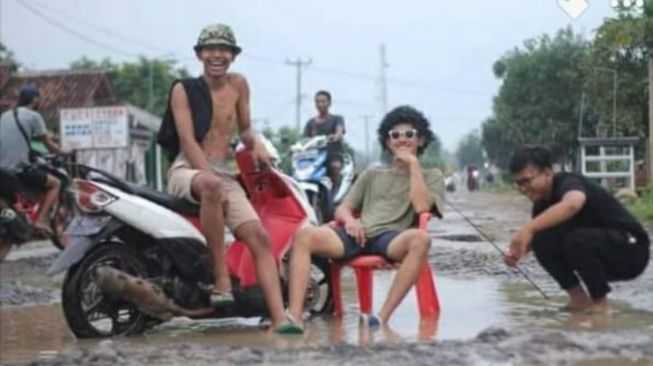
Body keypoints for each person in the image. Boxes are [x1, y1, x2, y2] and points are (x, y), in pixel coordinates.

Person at [161, 23, 297, 333]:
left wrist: (257, 145)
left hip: (223, 172)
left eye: (224, 49)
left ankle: (279, 319)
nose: (217, 55)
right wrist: (209, 177)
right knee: (211, 186)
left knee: (260, 238)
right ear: (200, 55)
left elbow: (245, 129)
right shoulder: (184, 89)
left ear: (233, 56)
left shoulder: (239, 86)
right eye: (211, 49)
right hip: (188, 169)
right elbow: (187, 141)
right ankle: (221, 281)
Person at [287, 105, 445, 332]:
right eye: (395, 135)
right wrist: (351, 221)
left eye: (409, 134)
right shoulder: (372, 174)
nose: (402, 139)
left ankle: (380, 317)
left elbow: (421, 207)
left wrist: (413, 165)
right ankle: (294, 318)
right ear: (388, 142)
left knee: (421, 240)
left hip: (391, 238)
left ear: (420, 140)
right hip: (357, 234)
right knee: (304, 235)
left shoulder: (432, 175)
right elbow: (343, 208)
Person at [504, 145, 650, 313]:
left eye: (527, 181)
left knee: (577, 240)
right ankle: (579, 300)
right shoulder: (541, 205)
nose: (523, 189)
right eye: (518, 184)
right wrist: (516, 252)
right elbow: (535, 240)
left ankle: (600, 306)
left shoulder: (568, 183)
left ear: (547, 173)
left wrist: (527, 228)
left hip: (633, 250)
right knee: (541, 240)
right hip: (602, 251)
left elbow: (573, 203)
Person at [0, 84, 68, 235]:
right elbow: (49, 145)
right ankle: (41, 220)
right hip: (17, 170)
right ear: (35, 99)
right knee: (55, 183)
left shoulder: (5, 115)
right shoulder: (33, 116)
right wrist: (64, 152)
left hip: (1, 170)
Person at [302, 90, 346, 190]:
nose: (320, 104)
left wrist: (335, 136)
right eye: (317, 102)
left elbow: (339, 131)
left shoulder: (337, 119)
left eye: (323, 101)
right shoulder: (311, 123)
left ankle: (335, 190)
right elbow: (304, 139)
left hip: (333, 153)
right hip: (314, 156)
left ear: (329, 103)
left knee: (335, 167)